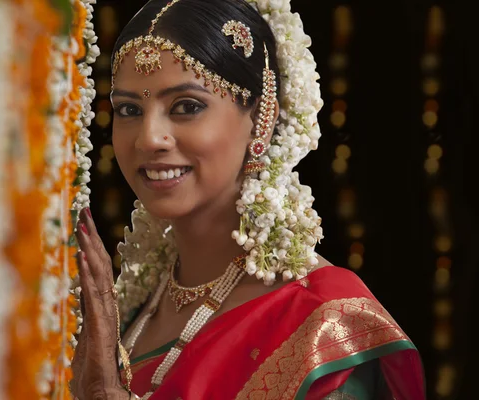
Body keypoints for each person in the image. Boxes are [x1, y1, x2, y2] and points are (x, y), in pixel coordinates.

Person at [70, 0, 425, 399]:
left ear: (262, 118)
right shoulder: (126, 310)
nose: (149, 138)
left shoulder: (321, 327)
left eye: (186, 106)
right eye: (129, 109)